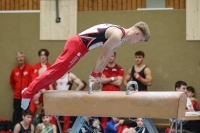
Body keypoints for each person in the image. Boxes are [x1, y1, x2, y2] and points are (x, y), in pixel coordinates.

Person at [21, 22, 150, 110]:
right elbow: (102, 56)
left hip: (81, 47)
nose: (137, 43)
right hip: (77, 45)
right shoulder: (117, 35)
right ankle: (27, 92)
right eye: (140, 40)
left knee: (57, 73)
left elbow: (107, 55)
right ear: (137, 33)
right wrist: (93, 76)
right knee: (56, 73)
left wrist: (98, 75)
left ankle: (28, 91)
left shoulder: (120, 37)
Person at [28, 49, 54, 123]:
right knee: (31, 112)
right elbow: (33, 81)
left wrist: (46, 91)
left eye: (44, 55)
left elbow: (51, 82)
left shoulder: (51, 67)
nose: (42, 57)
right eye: (41, 55)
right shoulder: (35, 67)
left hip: (47, 93)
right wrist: (37, 92)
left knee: (47, 114)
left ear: (47, 56)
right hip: (37, 93)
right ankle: (29, 129)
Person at [100, 52, 124, 129]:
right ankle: (104, 129)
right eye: (109, 56)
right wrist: (113, 78)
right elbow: (101, 80)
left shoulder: (120, 69)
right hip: (105, 95)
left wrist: (106, 79)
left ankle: (116, 130)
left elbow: (119, 82)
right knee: (104, 116)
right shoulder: (103, 68)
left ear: (115, 57)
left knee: (116, 116)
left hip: (115, 95)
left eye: (112, 56)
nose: (110, 57)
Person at [10, 52, 32, 129]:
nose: (20, 58)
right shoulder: (14, 70)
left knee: (26, 114)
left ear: (24, 58)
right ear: (16, 59)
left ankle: (26, 129)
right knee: (16, 114)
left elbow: (32, 82)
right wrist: (17, 89)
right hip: (17, 97)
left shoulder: (30, 69)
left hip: (26, 97)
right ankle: (14, 130)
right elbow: (12, 82)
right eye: (18, 57)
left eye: (22, 57)